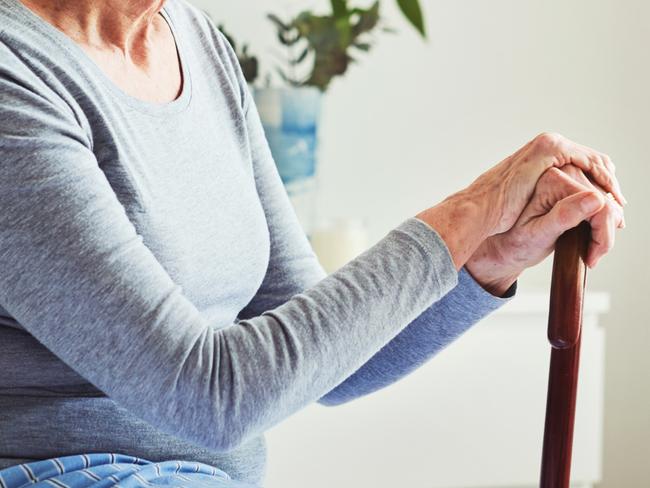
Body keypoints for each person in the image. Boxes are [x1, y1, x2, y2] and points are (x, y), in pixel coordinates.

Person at [0, 0, 626, 487]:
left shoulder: (198, 46)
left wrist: (489, 255)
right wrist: (472, 210)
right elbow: (209, 395)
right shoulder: (16, 78)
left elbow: (332, 364)